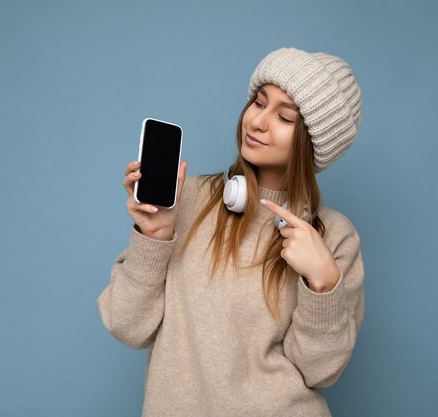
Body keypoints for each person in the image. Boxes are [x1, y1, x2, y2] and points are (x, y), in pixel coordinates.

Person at [97, 47, 365, 417]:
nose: (257, 122)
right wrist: (154, 238)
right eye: (258, 102)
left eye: (284, 117)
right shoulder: (184, 200)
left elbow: (319, 371)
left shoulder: (333, 236)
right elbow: (126, 325)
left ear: (312, 142)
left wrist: (322, 283)